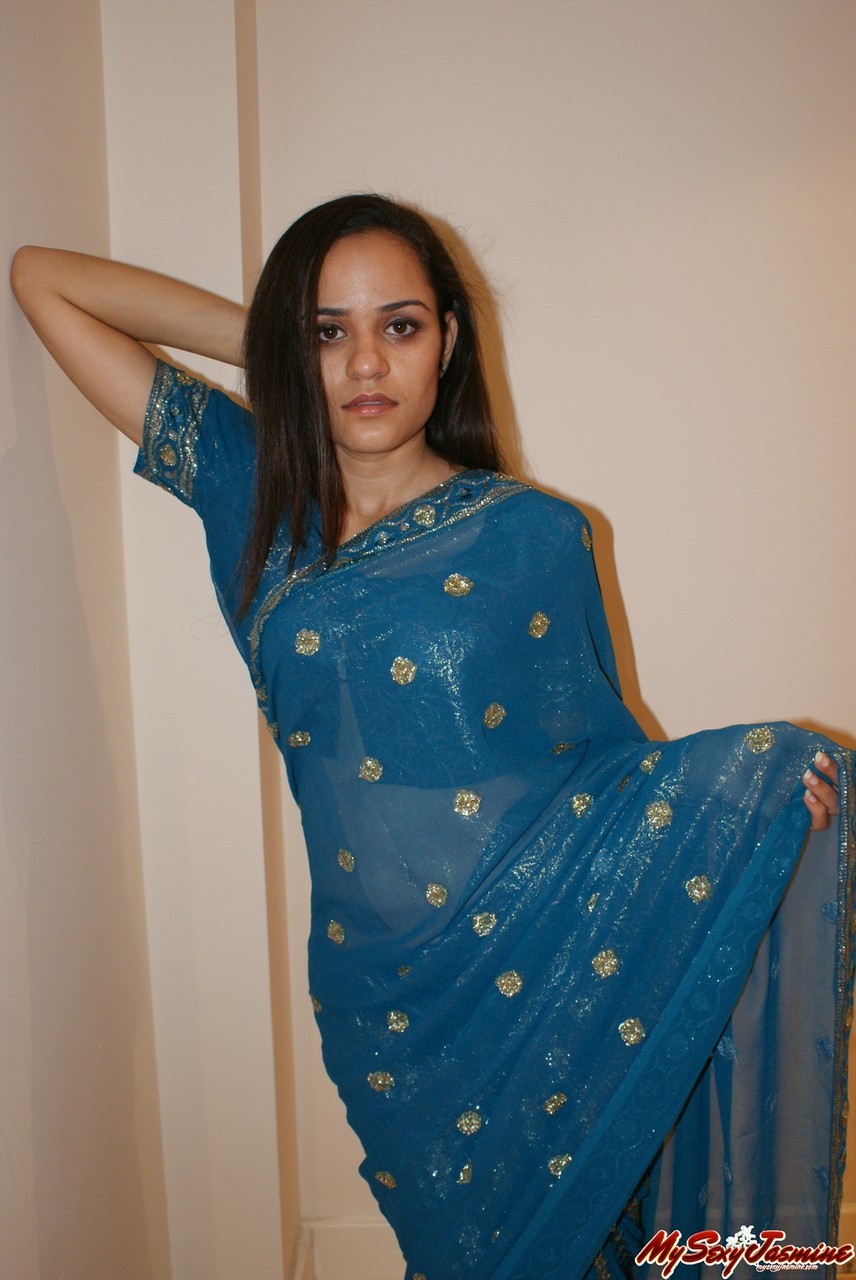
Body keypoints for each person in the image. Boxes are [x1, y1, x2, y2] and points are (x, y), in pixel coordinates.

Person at [11, 195, 852, 1280]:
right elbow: (43, 279)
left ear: (447, 341)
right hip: (387, 997)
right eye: (329, 331)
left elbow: (604, 763)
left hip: (537, 953)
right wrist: (271, 349)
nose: (366, 361)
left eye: (399, 326)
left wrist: (749, 801)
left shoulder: (534, 532)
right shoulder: (253, 489)